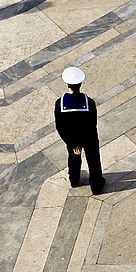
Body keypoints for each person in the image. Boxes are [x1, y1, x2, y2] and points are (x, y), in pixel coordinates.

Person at [54, 66, 105, 194]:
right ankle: (96, 185)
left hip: (72, 139)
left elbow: (60, 127)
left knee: (74, 157)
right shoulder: (90, 102)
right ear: (80, 84)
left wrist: (73, 144)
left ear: (67, 84)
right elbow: (92, 124)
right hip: (89, 137)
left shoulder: (60, 104)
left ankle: (74, 180)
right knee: (93, 160)